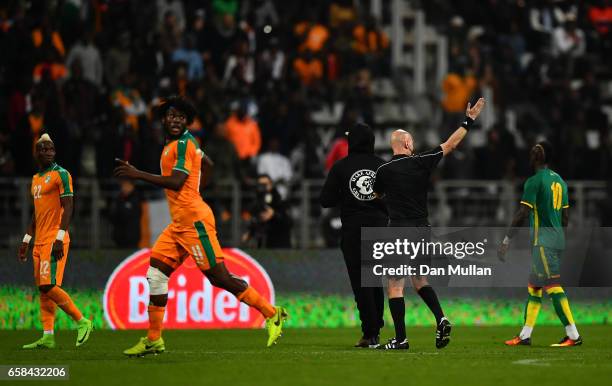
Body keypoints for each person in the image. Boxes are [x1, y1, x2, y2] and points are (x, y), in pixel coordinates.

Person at [114, 96, 287, 356]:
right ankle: (153, 339)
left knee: (219, 277)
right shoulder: (182, 144)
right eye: (171, 115)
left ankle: (272, 314)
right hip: (180, 222)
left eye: (181, 117)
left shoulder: (183, 144)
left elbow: (175, 181)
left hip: (193, 222)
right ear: (164, 119)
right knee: (157, 274)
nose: (175, 120)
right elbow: (208, 164)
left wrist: (138, 174)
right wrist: (197, 190)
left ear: (188, 122)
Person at [373, 98, 485, 350]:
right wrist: (469, 120)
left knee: (394, 284)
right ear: (408, 143)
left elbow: (376, 195)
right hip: (422, 228)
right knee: (421, 280)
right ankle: (441, 318)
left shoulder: (384, 171)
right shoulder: (421, 162)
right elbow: (451, 144)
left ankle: (400, 338)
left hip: (398, 229)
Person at [499, 141, 582, 347]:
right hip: (555, 239)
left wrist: (506, 240)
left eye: (534, 151)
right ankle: (525, 335)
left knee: (553, 286)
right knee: (534, 286)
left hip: (543, 241)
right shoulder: (560, 181)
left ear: (537, 158)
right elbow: (565, 218)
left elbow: (522, 214)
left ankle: (573, 335)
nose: (531, 154)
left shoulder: (534, 182)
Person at [18, 134, 94, 349]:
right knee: (43, 289)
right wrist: (26, 240)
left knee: (48, 284)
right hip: (39, 240)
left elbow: (68, 205)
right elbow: (36, 213)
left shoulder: (62, 174)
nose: (48, 152)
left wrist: (60, 237)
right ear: (37, 153)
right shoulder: (35, 180)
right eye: (43, 149)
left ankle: (82, 322)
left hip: (54, 238)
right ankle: (48, 335)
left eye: (51, 149)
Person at [320, 122, 387, 348]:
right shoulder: (382, 166)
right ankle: (377, 323)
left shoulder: (341, 167)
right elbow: (393, 200)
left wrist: (348, 196)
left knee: (361, 283)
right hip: (380, 229)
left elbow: (325, 200)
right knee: (375, 279)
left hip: (353, 230)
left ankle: (370, 332)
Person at [243, 174, 292, 248]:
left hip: (279, 245)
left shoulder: (279, 201)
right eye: (260, 185)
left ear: (271, 185)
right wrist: (250, 232)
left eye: (265, 184)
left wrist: (274, 214)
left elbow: (288, 222)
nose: (263, 187)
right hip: (262, 247)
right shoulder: (256, 203)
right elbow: (254, 221)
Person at [110, 178, 143, 248]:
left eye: (126, 186)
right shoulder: (118, 198)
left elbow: (131, 215)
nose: (124, 188)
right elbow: (113, 215)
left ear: (132, 186)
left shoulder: (136, 198)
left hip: (132, 236)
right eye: (123, 186)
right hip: (119, 236)